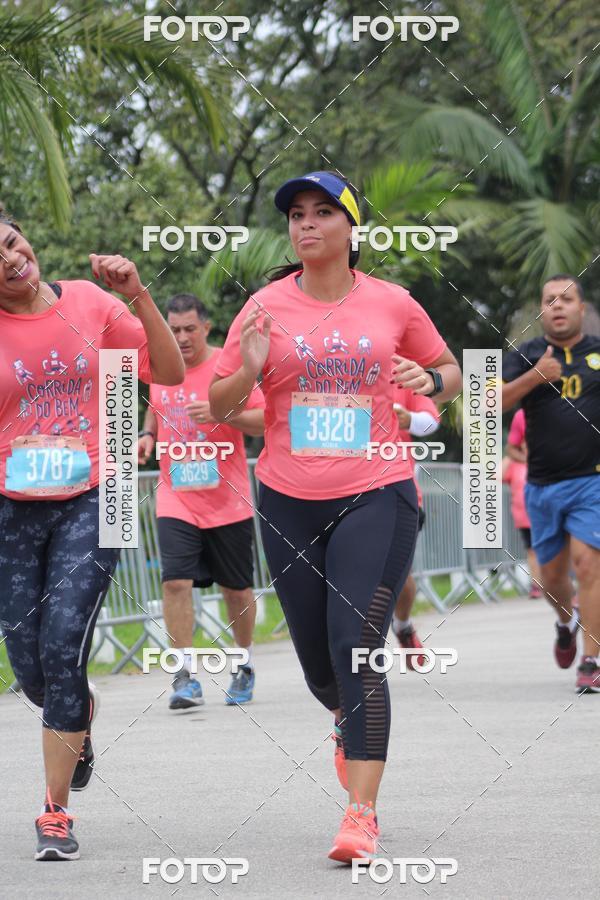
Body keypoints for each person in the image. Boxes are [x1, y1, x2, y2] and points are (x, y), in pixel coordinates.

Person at [208, 170, 461, 863]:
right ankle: (347, 720)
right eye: (296, 214)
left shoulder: (393, 302)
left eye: (323, 211)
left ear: (353, 229)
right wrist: (250, 362)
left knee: (357, 644)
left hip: (377, 490)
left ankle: (361, 814)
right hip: (287, 497)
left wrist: (428, 380)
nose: (306, 223)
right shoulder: (261, 308)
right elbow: (224, 402)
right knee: (322, 667)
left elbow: (450, 370)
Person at [0, 209, 184, 860]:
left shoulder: (89, 303)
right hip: (11, 508)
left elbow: (167, 372)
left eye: (11, 241)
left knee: (60, 647)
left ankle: (54, 812)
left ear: (26, 237)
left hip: (95, 496)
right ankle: (74, 716)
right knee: (28, 666)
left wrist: (138, 293)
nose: (11, 259)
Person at [138, 293, 264, 708]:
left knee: (237, 589)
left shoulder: (227, 367)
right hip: (177, 496)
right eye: (174, 330)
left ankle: (243, 664)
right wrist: (147, 436)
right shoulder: (161, 368)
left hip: (227, 497)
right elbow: (155, 409)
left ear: (206, 328)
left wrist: (223, 414)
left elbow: (265, 419)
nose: (181, 337)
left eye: (189, 328)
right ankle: (184, 676)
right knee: (174, 581)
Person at [502, 274, 600, 693]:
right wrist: (535, 377)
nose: (557, 306)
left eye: (567, 299)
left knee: (588, 565)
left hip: (590, 483)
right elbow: (489, 402)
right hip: (541, 487)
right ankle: (565, 622)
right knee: (552, 579)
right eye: (549, 300)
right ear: (541, 310)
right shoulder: (525, 355)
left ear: (581, 309)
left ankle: (591, 659)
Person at [391, 389, 440, 664]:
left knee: (399, 575)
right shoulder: (327, 365)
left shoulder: (402, 370)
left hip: (397, 491)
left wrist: (408, 418)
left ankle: (403, 625)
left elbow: (430, 421)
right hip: (337, 491)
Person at [503, 409, 542, 598]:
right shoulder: (516, 465)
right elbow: (497, 475)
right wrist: (510, 456)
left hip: (544, 512)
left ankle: (555, 583)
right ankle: (536, 585)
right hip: (525, 516)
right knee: (533, 551)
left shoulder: (546, 464)